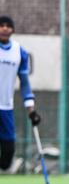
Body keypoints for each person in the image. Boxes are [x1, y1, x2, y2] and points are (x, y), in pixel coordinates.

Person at [0, 16, 39, 173]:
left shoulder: (19, 52)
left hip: (6, 107)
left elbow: (24, 82)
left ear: (13, 30)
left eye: (8, 26)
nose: (4, 28)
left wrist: (31, 110)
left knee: (7, 154)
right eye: (1, 25)